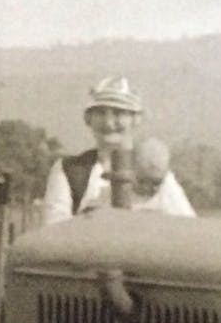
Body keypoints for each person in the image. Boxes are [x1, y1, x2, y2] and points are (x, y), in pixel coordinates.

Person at [41, 75, 194, 224]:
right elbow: (52, 232)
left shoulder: (155, 174)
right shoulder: (69, 171)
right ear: (88, 119)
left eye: (118, 113)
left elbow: (188, 229)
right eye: (100, 113)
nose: (108, 122)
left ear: (136, 119)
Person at [133, 137, 197, 216]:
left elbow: (189, 225)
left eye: (156, 183)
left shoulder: (174, 200)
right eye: (142, 181)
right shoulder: (120, 182)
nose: (148, 187)